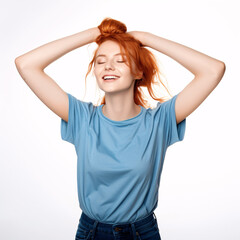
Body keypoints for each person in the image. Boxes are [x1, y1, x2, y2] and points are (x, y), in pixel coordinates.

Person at [15, 18, 225, 240]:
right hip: (90, 232)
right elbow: (26, 64)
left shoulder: (159, 122)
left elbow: (213, 70)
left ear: (138, 72)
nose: (108, 66)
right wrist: (95, 34)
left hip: (142, 233)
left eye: (121, 60)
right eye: (100, 61)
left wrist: (144, 38)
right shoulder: (81, 118)